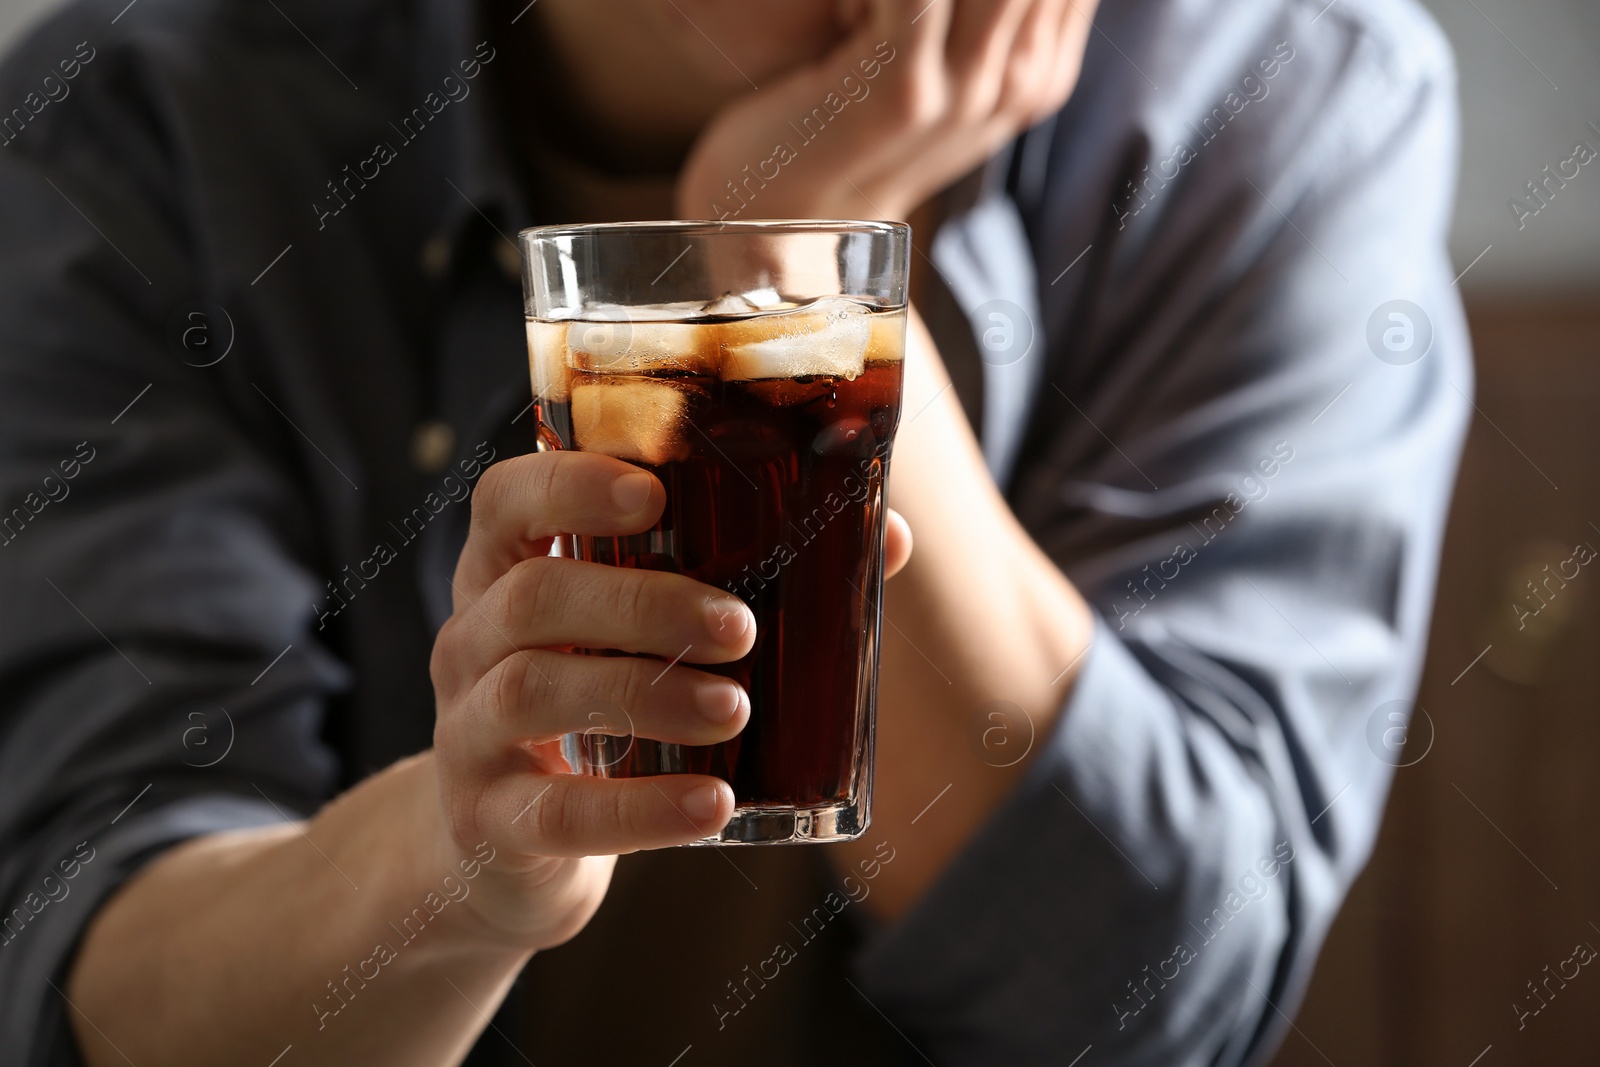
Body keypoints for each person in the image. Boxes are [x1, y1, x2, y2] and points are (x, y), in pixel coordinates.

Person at [0, 0, 1470, 1063]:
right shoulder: (147, 128)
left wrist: (787, 250)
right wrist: (462, 861)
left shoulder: (1286, 90)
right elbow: (93, 963)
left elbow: (1150, 1005)